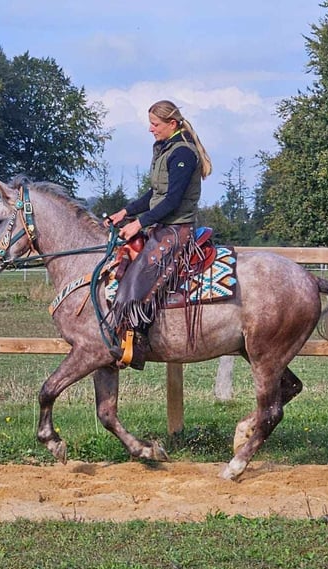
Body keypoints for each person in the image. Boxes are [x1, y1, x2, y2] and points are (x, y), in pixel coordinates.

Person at [106, 100, 212, 369]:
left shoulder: (183, 154)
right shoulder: (165, 149)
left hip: (178, 230)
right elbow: (155, 195)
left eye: (155, 124)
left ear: (172, 124)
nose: (150, 129)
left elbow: (172, 201)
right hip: (163, 226)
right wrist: (125, 212)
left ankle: (138, 342)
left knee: (138, 278)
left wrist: (139, 223)